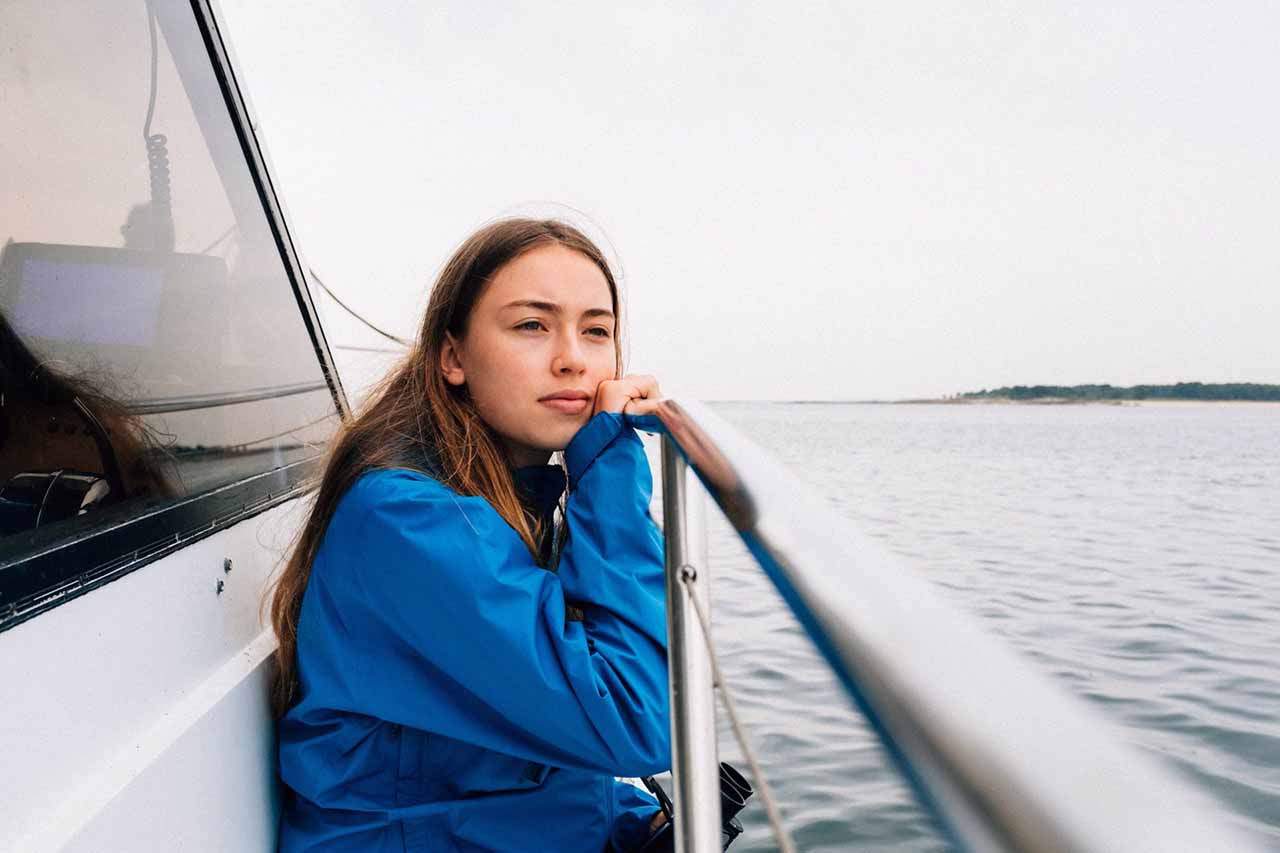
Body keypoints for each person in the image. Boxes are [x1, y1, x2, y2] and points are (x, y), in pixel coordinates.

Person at [268, 218, 672, 852]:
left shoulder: (512, 496)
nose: (572, 358)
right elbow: (632, 721)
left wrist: (628, 821)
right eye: (532, 325)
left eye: (596, 331)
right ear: (453, 358)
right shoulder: (407, 519)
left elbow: (501, 762)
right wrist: (613, 464)